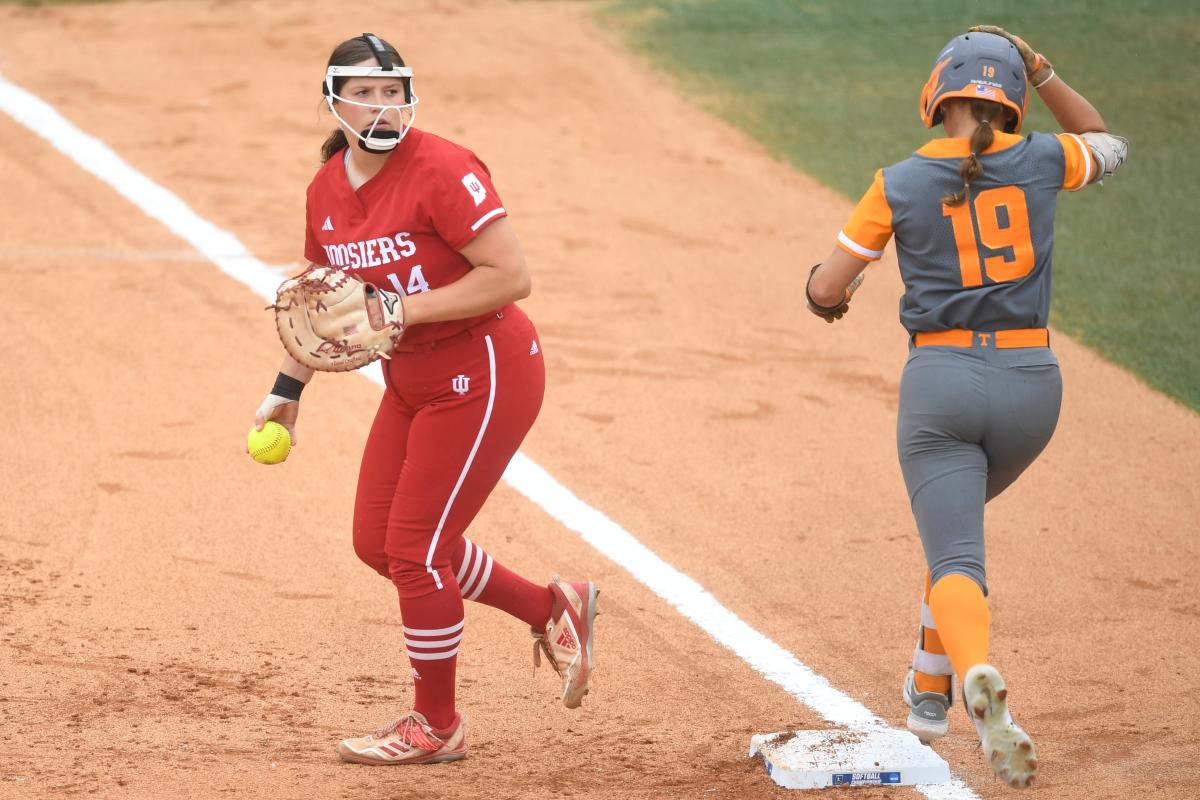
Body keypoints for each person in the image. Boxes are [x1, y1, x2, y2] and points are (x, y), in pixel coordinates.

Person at [252, 33, 598, 766]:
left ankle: (436, 725)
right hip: (411, 381)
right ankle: (550, 606)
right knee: (378, 543)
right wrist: (287, 391)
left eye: (392, 90)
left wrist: (403, 312)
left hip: (485, 369)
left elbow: (510, 276)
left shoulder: (443, 167)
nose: (382, 105)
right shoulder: (326, 189)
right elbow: (324, 304)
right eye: (365, 91)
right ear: (333, 101)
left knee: (414, 552)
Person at [805, 26, 1127, 789]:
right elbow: (1105, 141)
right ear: (1012, 101)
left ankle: (977, 672)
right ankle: (927, 695)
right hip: (1033, 390)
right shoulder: (1046, 158)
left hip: (942, 388)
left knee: (955, 556)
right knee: (952, 531)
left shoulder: (899, 180)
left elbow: (827, 287)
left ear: (937, 92)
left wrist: (829, 295)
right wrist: (1045, 69)